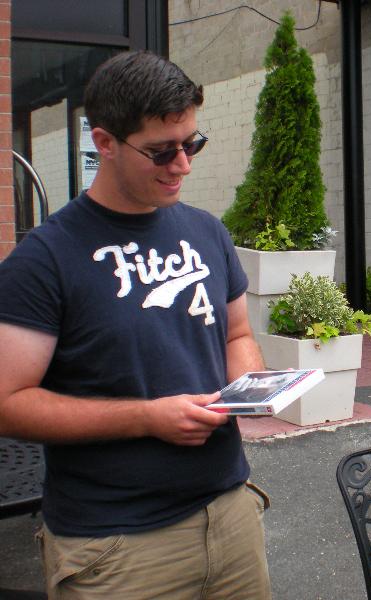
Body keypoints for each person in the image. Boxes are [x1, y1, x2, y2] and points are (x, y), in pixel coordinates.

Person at [0, 51, 272, 599]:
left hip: (230, 510)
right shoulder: (44, 260)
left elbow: (237, 335)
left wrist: (246, 393)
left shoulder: (206, 232)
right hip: (116, 543)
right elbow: (8, 400)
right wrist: (147, 418)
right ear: (103, 143)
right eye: (161, 151)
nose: (183, 165)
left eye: (192, 143)